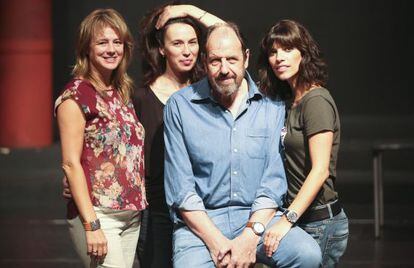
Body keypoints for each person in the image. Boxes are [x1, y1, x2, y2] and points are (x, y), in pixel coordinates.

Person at [163, 22, 322, 267]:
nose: (224, 69)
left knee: (307, 255)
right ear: (204, 61)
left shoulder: (272, 106)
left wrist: (250, 235)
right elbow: (181, 191)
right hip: (202, 222)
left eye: (232, 59)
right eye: (215, 61)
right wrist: (216, 241)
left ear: (245, 58)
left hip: (258, 217)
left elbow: (273, 182)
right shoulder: (180, 106)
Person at [55, 9, 147, 268]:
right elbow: (70, 164)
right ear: (86, 48)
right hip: (99, 215)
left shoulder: (121, 91)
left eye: (117, 42)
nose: (111, 49)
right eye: (102, 42)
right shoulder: (75, 96)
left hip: (131, 215)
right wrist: (91, 224)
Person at [133, 5, 222, 267]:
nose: (187, 51)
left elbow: (227, 36)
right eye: (178, 43)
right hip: (157, 210)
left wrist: (186, 8)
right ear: (162, 48)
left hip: (205, 208)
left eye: (193, 42)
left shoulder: (210, 89)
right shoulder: (140, 97)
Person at [258, 20, 349, 267]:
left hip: (320, 223)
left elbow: (320, 170)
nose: (279, 58)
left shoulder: (316, 100)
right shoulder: (289, 102)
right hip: (299, 219)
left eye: (287, 49)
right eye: (273, 52)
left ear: (304, 54)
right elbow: (231, 53)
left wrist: (286, 221)